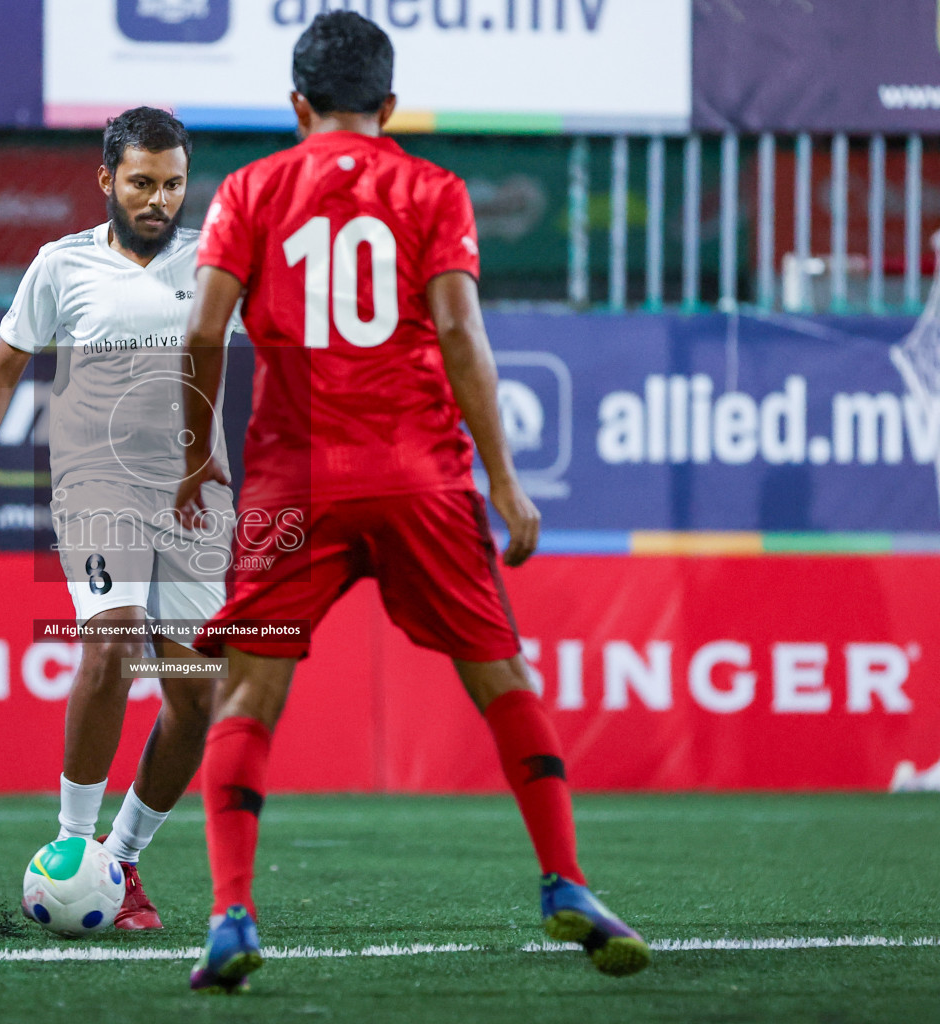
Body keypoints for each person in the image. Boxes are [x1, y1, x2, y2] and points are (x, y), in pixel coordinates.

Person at [173, 12, 650, 991]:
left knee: (251, 691)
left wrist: (194, 461)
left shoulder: (251, 189)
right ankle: (564, 880)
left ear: (296, 104)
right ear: (388, 106)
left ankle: (230, 912)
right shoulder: (430, 188)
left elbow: (202, 332)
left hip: (292, 476)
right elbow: (461, 332)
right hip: (418, 472)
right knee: (499, 673)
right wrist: (505, 477)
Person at [0, 107, 237, 930]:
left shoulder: (215, 260)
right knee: (110, 644)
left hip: (196, 493)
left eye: (172, 183)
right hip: (99, 485)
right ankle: (72, 846)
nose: (158, 198)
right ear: (106, 180)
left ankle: (122, 863)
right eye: (141, 182)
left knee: (197, 695)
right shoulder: (59, 266)